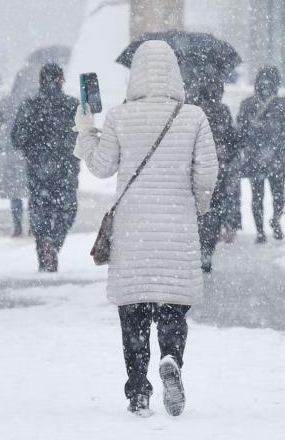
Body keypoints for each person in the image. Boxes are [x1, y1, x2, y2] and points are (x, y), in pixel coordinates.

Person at [73, 41, 218, 417]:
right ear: (175, 73)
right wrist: (198, 204)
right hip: (176, 229)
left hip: (134, 233)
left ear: (136, 74)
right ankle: (170, 356)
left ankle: (138, 391)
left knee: (133, 313)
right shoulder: (194, 116)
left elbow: (102, 166)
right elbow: (208, 171)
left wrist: (87, 131)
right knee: (172, 307)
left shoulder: (121, 116)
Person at [11, 63, 79, 272]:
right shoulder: (73, 106)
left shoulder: (29, 106)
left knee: (40, 210)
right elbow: (85, 135)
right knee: (67, 210)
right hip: (66, 168)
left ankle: (44, 249)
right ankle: (55, 243)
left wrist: (34, 147)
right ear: (61, 80)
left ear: (41, 81)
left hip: (38, 169)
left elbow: (17, 139)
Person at [237, 66, 285, 242]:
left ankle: (260, 231)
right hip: (276, 157)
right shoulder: (283, 104)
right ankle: (275, 221)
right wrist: (280, 147)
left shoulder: (247, 104)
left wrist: (252, 141)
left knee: (257, 196)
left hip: (255, 157)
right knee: (278, 195)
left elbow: (240, 132)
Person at [192, 78, 238, 273]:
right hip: (218, 168)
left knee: (197, 209)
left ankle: (197, 246)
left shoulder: (193, 111)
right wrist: (225, 154)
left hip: (196, 167)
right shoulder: (223, 111)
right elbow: (232, 140)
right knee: (214, 209)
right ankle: (207, 250)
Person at [0, 83, 30, 237]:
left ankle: (18, 225)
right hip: (27, 152)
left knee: (14, 192)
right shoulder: (30, 100)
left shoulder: (6, 101)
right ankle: (33, 226)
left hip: (10, 152)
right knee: (33, 191)